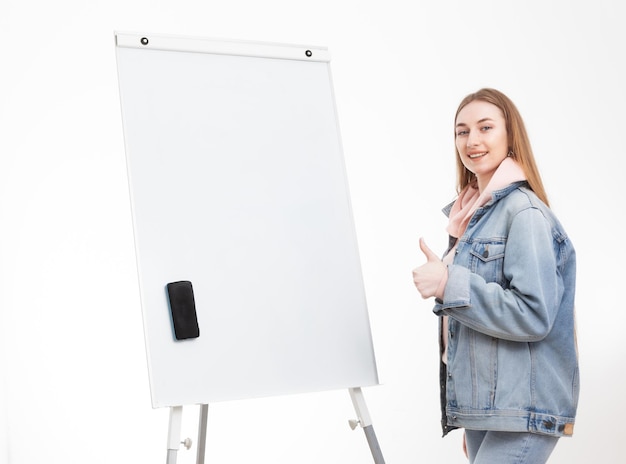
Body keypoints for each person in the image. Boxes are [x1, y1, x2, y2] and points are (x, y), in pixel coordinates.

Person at [412, 88, 579, 464]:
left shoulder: (523, 212)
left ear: (510, 135)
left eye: (485, 127)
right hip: (491, 407)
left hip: (521, 408)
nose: (472, 141)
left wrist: (446, 283)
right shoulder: (470, 215)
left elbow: (533, 314)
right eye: (462, 131)